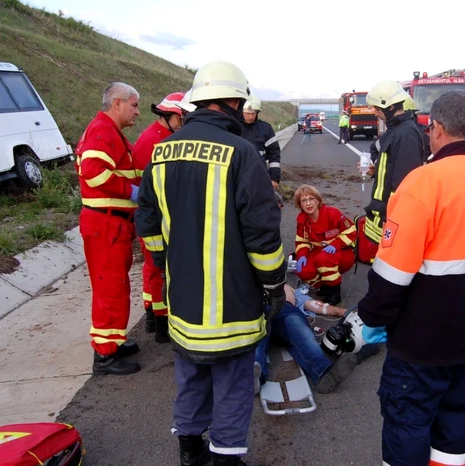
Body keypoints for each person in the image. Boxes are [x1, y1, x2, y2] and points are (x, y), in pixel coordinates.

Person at [357, 90, 465, 466]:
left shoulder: (422, 184)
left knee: (408, 422)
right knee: (456, 416)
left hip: (421, 343)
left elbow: (390, 281)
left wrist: (367, 320)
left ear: (435, 128)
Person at [135, 60, 286, 466]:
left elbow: (146, 219)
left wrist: (166, 259)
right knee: (234, 384)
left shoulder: (162, 152)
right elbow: (263, 233)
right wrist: (273, 285)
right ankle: (226, 457)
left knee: (190, 379)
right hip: (232, 305)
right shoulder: (241, 153)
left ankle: (189, 450)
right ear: (235, 102)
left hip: (182, 300)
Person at [75, 82, 142, 376]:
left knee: (116, 286)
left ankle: (113, 342)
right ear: (117, 103)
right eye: (134, 105)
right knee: (110, 290)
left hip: (112, 223)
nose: (137, 112)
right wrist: (132, 191)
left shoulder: (110, 132)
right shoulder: (102, 132)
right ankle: (104, 356)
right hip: (105, 224)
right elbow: (93, 172)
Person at [132, 91, 187, 343]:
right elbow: (152, 189)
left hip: (153, 215)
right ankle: (161, 321)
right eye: (181, 117)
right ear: (170, 115)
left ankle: (153, 315)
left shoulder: (162, 136)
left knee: (152, 268)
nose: (183, 122)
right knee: (157, 268)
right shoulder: (153, 142)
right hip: (153, 217)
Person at [254, 283, 358, 396]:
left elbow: (313, 304)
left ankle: (324, 372)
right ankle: (251, 378)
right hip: (256, 309)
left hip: (284, 309)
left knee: (303, 334)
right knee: (254, 338)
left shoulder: (286, 286)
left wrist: (341, 311)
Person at [363, 80, 424, 249]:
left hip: (393, 218)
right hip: (385, 215)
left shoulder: (406, 134)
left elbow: (405, 184)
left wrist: (391, 218)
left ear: (390, 107)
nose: (374, 112)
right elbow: (393, 168)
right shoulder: (395, 130)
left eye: (377, 108)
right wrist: (377, 172)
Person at [293, 184, 356, 306]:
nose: (308, 203)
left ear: (318, 200)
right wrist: (301, 255)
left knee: (324, 259)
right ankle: (324, 286)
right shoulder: (302, 220)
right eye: (304, 200)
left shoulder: (332, 213)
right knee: (303, 270)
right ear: (300, 205)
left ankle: (334, 291)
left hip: (342, 251)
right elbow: (302, 241)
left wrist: (337, 244)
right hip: (319, 251)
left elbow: (351, 231)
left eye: (311, 199)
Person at [241, 96, 281, 189]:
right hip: (238, 177)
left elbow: (274, 153)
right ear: (241, 111)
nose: (250, 117)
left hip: (259, 176)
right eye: (247, 113)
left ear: (257, 113)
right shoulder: (233, 128)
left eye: (253, 114)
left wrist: (274, 178)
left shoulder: (265, 129)